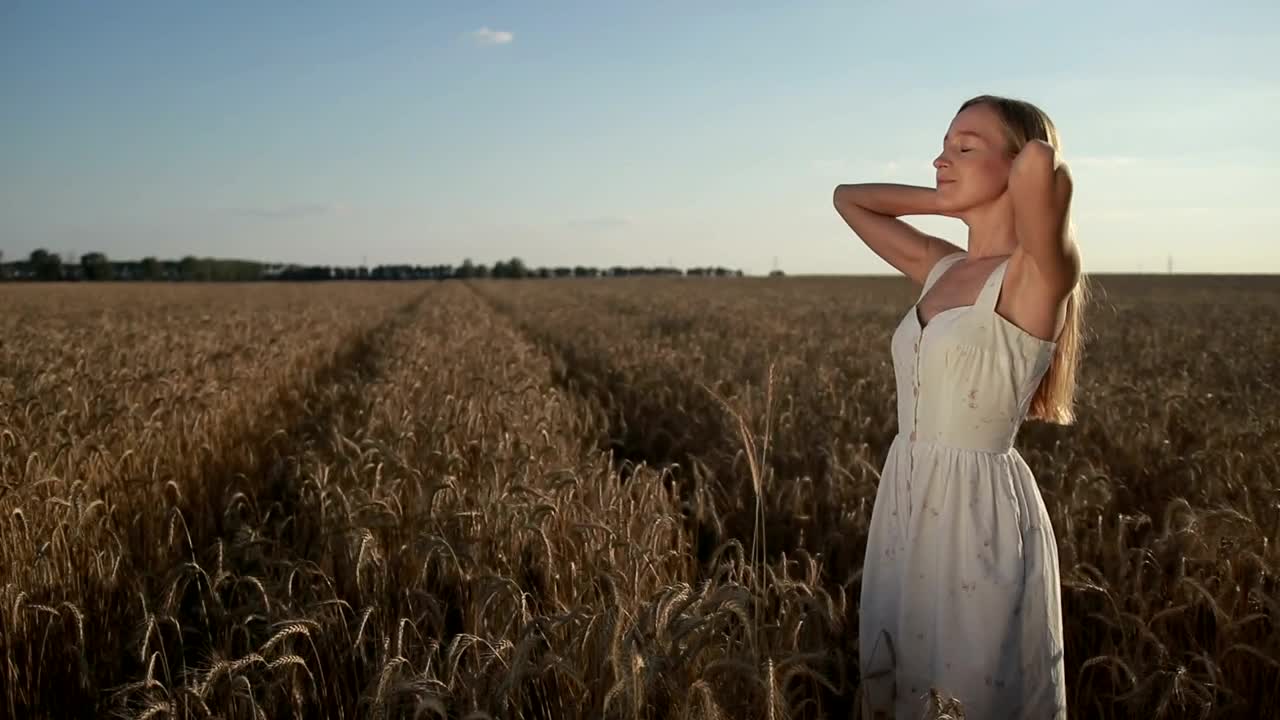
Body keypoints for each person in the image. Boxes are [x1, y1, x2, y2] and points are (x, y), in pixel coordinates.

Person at [831, 94, 1086, 718]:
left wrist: (1008, 165)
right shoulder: (940, 266)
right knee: (900, 678)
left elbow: (1043, 163)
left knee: (965, 688)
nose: (941, 159)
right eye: (943, 147)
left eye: (964, 148)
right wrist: (949, 198)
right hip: (907, 493)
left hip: (977, 510)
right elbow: (847, 197)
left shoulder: (1037, 274)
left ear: (1013, 160)